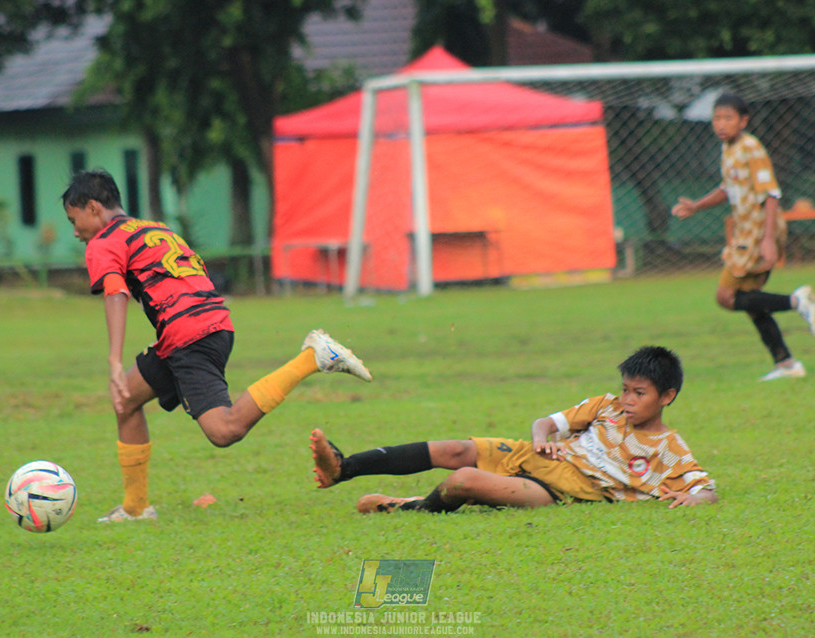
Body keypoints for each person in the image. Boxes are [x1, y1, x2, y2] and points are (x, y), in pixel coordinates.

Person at [62, 170, 372, 523]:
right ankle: (135, 508)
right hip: (206, 324)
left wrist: (114, 360)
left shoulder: (104, 241)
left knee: (225, 431)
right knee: (126, 400)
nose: (75, 232)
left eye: (74, 220)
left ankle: (312, 358)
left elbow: (115, 292)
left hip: (188, 335)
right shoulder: (154, 229)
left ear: (93, 208)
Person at [309, 345, 717, 513]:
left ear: (667, 396)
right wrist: (542, 441)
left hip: (560, 489)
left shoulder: (668, 446)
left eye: (639, 393)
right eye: (626, 389)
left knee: (464, 480)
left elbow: (706, 489)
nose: (628, 399)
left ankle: (404, 507)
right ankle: (344, 468)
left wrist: (695, 499)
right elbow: (545, 423)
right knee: (455, 449)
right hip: (533, 456)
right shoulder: (605, 406)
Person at [671, 92, 815, 382]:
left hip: (758, 231)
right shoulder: (728, 149)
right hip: (747, 231)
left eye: (728, 118)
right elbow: (726, 188)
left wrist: (768, 238)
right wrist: (697, 206)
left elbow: (771, 193)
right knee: (752, 303)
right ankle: (787, 364)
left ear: (743, 121)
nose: (721, 124)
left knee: (725, 296)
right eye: (717, 118)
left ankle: (797, 301)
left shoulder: (751, 148)